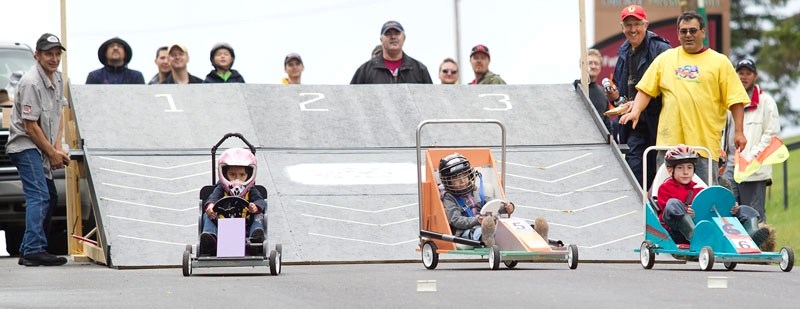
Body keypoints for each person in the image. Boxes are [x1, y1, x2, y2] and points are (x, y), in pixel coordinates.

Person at [620, 11, 749, 185]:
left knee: (703, 198)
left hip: (702, 147)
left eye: (693, 31)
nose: (688, 35)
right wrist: (636, 111)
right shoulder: (665, 58)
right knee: (665, 198)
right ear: (678, 33)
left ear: (703, 32)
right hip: (669, 146)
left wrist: (739, 132)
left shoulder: (720, 62)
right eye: (683, 31)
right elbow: (646, 89)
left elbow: (736, 100)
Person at [6, 33, 70, 266]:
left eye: (57, 54)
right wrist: (51, 153)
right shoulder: (31, 81)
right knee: (40, 195)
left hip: (42, 145)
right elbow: (30, 126)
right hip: (25, 145)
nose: (54, 58)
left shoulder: (59, 78)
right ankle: (34, 249)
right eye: (48, 54)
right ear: (37, 56)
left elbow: (58, 114)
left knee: (50, 195)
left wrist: (56, 147)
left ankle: (28, 247)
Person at [656, 145, 771, 249]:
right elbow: (668, 210)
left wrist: (731, 208)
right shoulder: (665, 188)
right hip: (678, 231)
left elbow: (712, 208)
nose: (686, 172)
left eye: (689, 168)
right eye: (680, 168)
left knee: (745, 209)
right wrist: (686, 211)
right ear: (670, 170)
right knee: (673, 204)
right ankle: (694, 234)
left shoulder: (700, 190)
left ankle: (750, 235)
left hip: (705, 227)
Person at [606, 5, 670, 188]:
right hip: (636, 126)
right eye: (628, 25)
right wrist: (616, 97)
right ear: (622, 27)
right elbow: (622, 95)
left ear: (646, 24)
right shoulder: (623, 52)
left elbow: (671, 88)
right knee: (635, 178)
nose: (633, 29)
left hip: (661, 124)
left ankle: (659, 215)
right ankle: (638, 215)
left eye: (637, 24)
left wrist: (639, 103)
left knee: (663, 179)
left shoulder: (661, 48)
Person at [439, 153, 550, 248]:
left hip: (487, 224)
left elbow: (492, 203)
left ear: (470, 176)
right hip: (466, 230)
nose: (462, 181)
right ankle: (487, 237)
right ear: (448, 182)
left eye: (464, 177)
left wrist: (505, 207)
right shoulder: (450, 197)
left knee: (506, 228)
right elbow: (455, 220)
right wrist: (477, 220)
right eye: (456, 180)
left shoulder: (475, 192)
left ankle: (537, 235)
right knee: (479, 232)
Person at [721, 59, 781, 222]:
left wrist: (752, 157)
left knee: (754, 216)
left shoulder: (766, 102)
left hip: (754, 169)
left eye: (748, 73)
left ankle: (760, 247)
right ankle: (733, 247)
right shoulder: (728, 101)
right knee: (728, 212)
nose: (744, 77)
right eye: (741, 73)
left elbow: (772, 135)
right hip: (730, 166)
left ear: (755, 76)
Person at [199, 148, 267, 256]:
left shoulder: (251, 190)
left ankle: (256, 238)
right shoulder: (221, 188)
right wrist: (210, 206)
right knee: (207, 214)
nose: (237, 179)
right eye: (232, 174)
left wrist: (255, 206)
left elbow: (261, 201)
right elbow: (212, 198)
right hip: (221, 225)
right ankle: (210, 237)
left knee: (259, 214)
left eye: (242, 175)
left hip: (246, 226)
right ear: (224, 174)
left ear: (249, 175)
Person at [350, 20, 433, 84]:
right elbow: (351, 99)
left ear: (404, 38)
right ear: (381, 39)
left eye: (397, 33)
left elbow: (430, 100)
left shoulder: (419, 69)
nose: (393, 37)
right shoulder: (365, 70)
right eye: (388, 33)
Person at [573, 49, 611, 132]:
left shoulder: (603, 93)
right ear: (581, 66)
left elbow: (607, 123)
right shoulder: (574, 89)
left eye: (596, 63)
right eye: (589, 63)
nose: (593, 66)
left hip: (600, 142)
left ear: (600, 67)